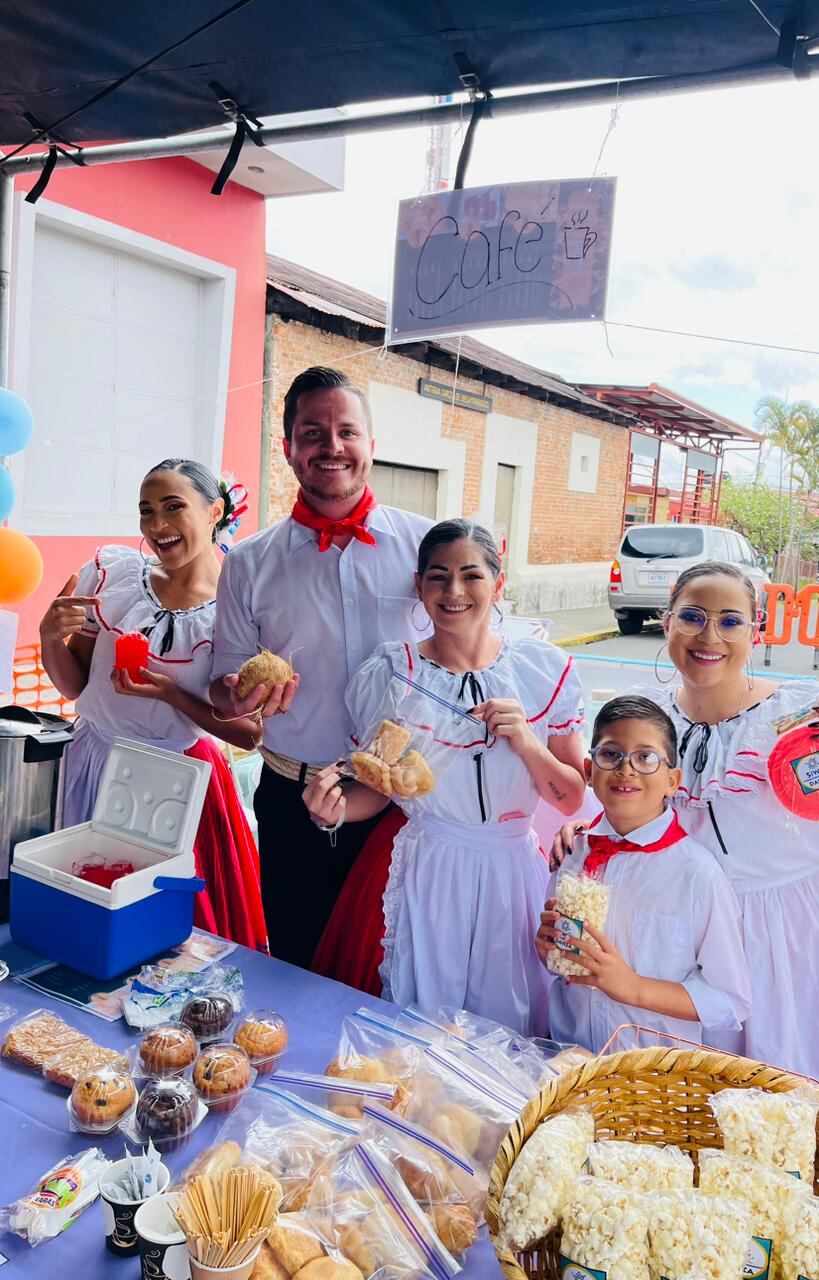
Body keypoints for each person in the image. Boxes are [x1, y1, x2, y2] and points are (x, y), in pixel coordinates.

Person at [553, 561, 819, 1214]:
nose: (708, 634)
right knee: (718, 1173)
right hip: (697, 951)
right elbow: (632, 811)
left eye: (730, 620)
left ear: (758, 630)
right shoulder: (645, 718)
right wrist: (586, 829)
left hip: (815, 954)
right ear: (666, 622)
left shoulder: (809, 713)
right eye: (692, 615)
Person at [304, 519, 586, 1035]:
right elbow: (379, 790)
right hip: (425, 868)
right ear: (419, 587)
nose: (454, 592)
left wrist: (525, 740)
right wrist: (336, 809)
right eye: (438, 577)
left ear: (498, 584)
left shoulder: (544, 670)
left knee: (506, 1025)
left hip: (510, 875)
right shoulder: (392, 674)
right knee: (415, 1027)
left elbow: (569, 798)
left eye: (471, 576)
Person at [209, 367, 433, 969]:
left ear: (371, 446)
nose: (331, 447)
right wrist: (239, 695)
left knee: (398, 969)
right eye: (313, 432)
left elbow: (477, 655)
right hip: (290, 795)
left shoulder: (428, 550)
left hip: (405, 803)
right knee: (298, 961)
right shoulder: (249, 563)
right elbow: (224, 683)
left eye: (346, 431)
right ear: (288, 449)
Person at [39, 459, 267, 951]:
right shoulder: (114, 578)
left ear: (215, 512)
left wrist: (171, 694)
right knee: (91, 914)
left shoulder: (237, 610)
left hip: (175, 784)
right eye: (146, 511)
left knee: (169, 935)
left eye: (172, 507)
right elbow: (75, 686)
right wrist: (49, 640)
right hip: (95, 761)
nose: (156, 526)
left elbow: (251, 733)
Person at [536, 695, 750, 1054]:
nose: (626, 769)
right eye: (610, 754)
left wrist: (631, 986)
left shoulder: (697, 875)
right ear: (589, 772)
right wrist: (549, 949)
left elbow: (729, 1001)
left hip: (653, 1077)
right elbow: (561, 959)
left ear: (672, 780)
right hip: (571, 1055)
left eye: (646, 757)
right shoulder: (574, 855)